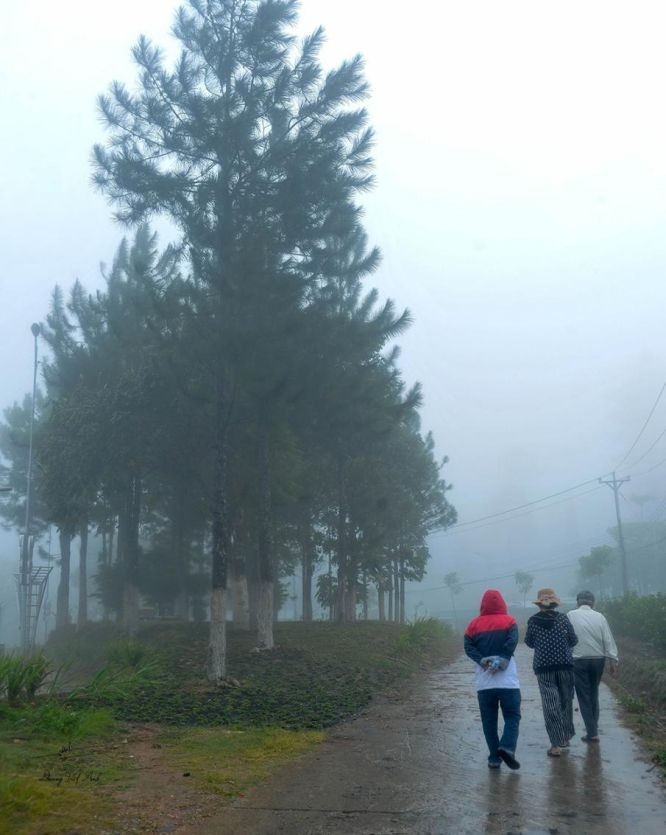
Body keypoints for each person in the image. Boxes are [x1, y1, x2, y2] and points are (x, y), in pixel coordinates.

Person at [464, 589, 521, 770]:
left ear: (483, 605)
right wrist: (503, 659)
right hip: (508, 682)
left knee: (489, 721)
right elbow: (512, 642)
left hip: (484, 684)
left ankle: (494, 759)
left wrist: (482, 660)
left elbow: (468, 646)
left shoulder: (473, 625)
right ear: (502, 603)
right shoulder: (510, 621)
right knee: (512, 716)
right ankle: (507, 747)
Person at [525, 587, 578, 757]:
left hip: (544, 668)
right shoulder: (563, 618)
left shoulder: (533, 621)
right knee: (565, 701)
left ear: (539, 604)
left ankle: (555, 745)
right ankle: (565, 737)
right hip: (565, 665)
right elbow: (573, 640)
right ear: (554, 604)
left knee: (550, 705)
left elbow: (529, 642)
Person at [566, 590, 619, 742]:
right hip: (598, 660)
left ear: (578, 602)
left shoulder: (570, 615)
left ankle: (592, 732)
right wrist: (613, 661)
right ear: (592, 603)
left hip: (578, 661)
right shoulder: (600, 617)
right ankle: (593, 728)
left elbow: (566, 639)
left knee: (583, 696)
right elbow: (607, 640)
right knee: (593, 692)